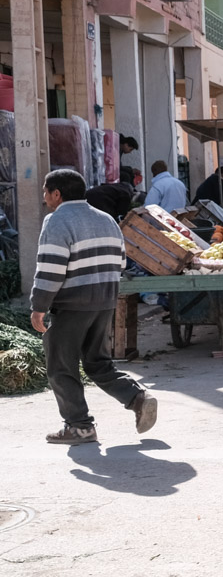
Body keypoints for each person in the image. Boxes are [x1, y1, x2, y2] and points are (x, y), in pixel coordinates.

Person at [30, 169, 158, 445]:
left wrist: (38, 306)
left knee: (61, 366)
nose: (44, 198)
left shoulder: (56, 221)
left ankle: (79, 427)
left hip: (73, 304)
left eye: (45, 192)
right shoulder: (106, 219)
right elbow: (121, 262)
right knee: (97, 362)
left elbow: (51, 269)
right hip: (105, 301)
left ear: (56, 194)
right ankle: (137, 397)